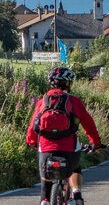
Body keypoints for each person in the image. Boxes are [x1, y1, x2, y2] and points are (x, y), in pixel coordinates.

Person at [26, 67, 104, 205]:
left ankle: (44, 200)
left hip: (46, 147)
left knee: (45, 174)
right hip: (69, 148)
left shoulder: (42, 102)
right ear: (67, 83)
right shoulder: (74, 101)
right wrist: (96, 143)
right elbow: (89, 124)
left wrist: (31, 141)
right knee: (75, 169)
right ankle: (77, 195)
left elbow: (33, 125)